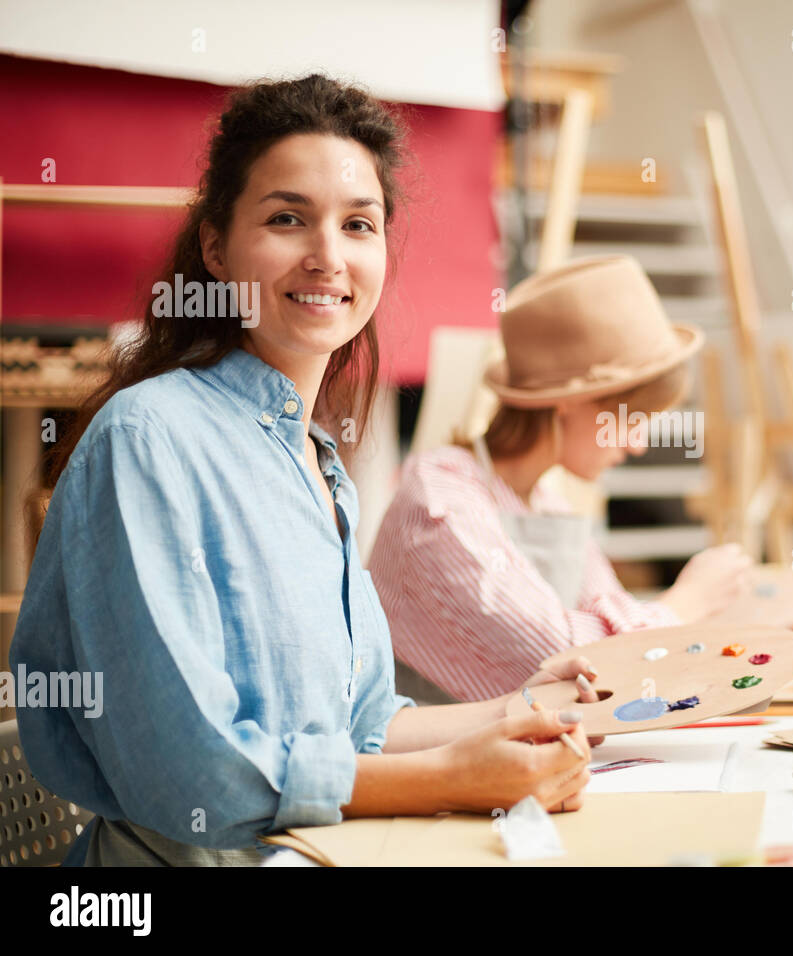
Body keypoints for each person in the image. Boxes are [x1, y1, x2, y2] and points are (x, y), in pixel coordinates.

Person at [10, 74, 593, 867]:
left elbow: (359, 729)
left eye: (359, 224)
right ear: (215, 248)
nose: (327, 255)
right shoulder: (149, 438)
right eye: (287, 219)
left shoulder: (317, 459)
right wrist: (451, 780)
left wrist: (522, 707)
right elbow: (193, 770)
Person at [369, 255, 773, 702]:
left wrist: (764, 637)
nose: (638, 443)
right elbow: (567, 664)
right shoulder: (440, 500)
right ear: (568, 400)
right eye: (631, 417)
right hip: (434, 763)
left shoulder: (546, 505)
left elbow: (626, 634)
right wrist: (686, 601)